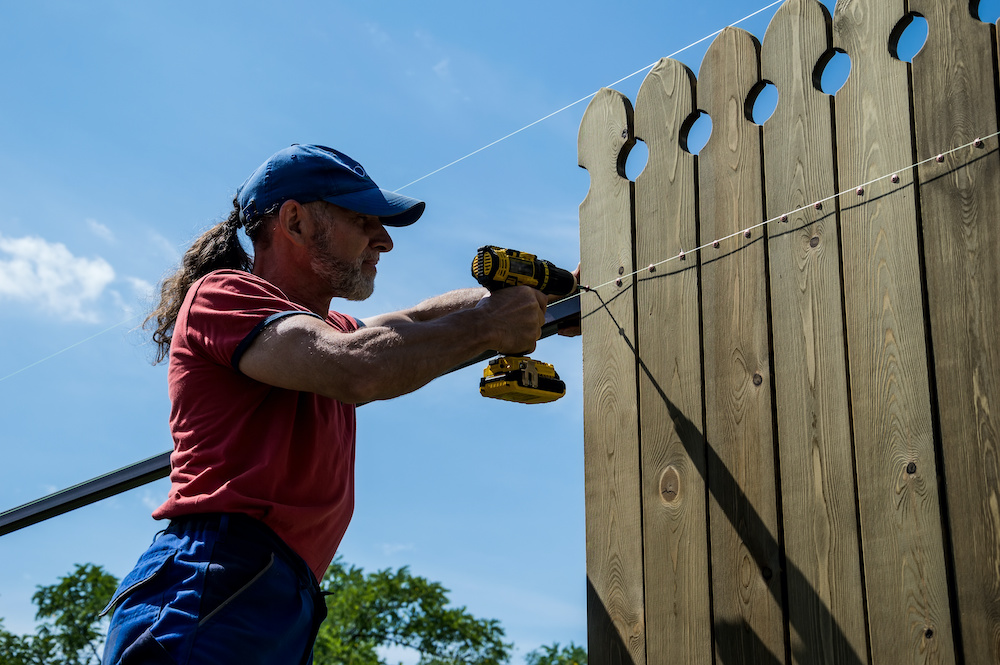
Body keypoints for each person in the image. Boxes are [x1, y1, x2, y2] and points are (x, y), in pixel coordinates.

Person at [100, 144, 554, 664]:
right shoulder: (223, 295)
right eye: (364, 220)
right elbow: (358, 365)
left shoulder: (330, 330)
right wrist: (488, 324)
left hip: (274, 595)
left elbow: (414, 324)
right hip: (212, 581)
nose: (383, 240)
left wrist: (545, 301)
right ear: (293, 221)